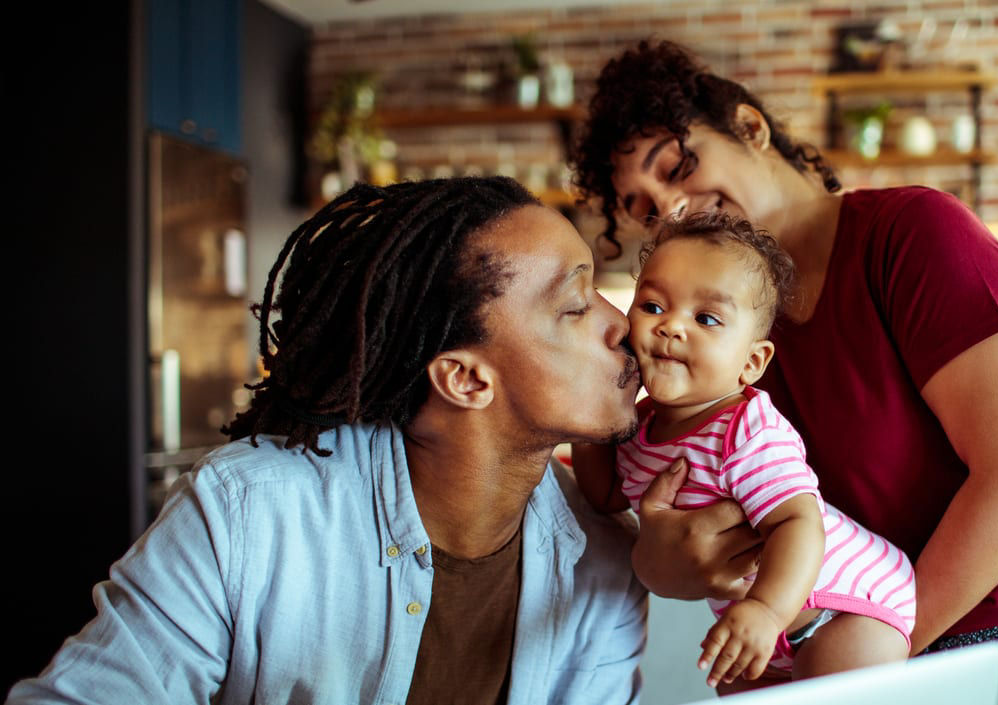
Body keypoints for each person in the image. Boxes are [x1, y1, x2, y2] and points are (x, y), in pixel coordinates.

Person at [570, 39, 998, 703]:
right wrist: (663, 562)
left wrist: (872, 662)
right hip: (850, 654)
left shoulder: (914, 236)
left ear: (750, 127)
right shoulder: (719, 338)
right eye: (640, 208)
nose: (668, 208)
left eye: (676, 167)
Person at [7, 177, 648, 705]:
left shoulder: (608, 557)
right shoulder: (245, 514)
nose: (623, 325)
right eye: (576, 305)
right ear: (465, 378)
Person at [573, 212, 915, 691]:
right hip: (755, 622)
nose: (671, 327)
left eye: (706, 318)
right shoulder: (636, 427)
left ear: (752, 362)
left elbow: (798, 522)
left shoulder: (746, 429)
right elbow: (605, 495)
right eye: (652, 306)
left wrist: (766, 609)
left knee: (825, 693)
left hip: (844, 604)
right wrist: (591, 419)